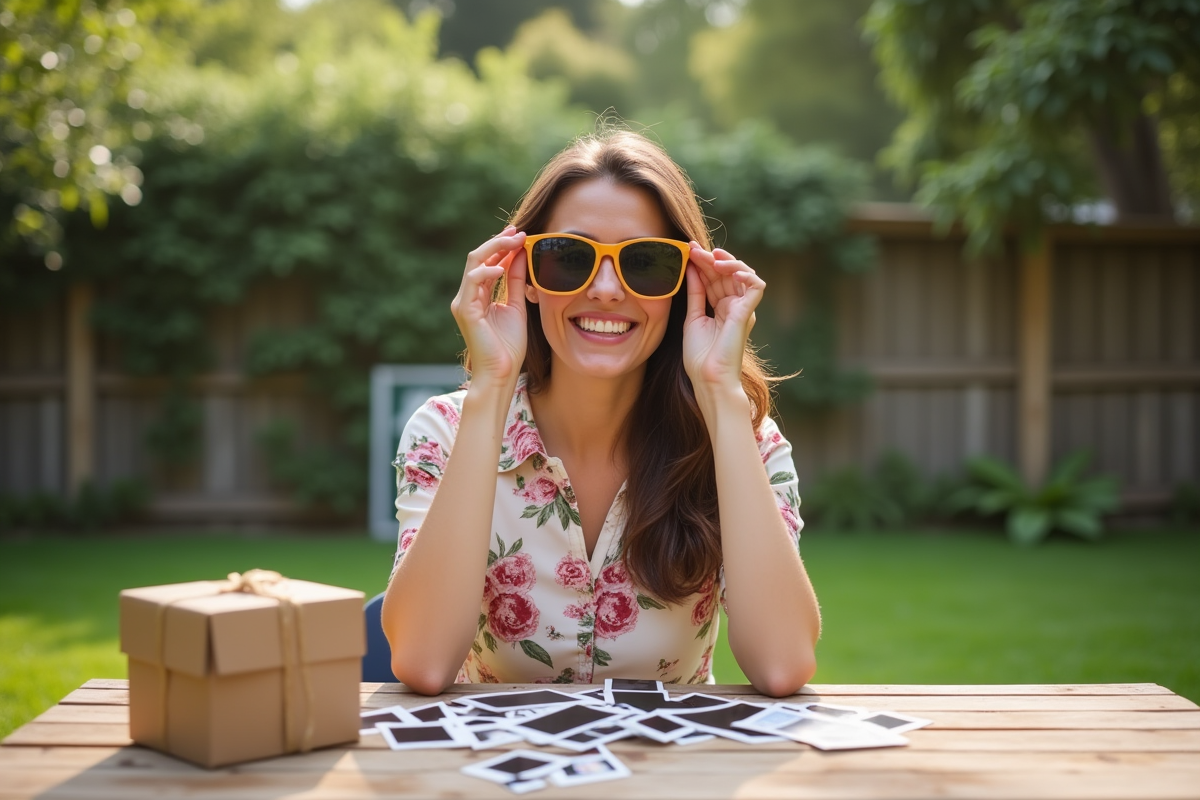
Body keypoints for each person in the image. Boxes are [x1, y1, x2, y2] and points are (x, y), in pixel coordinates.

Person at [381, 128, 820, 697]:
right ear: (527, 278)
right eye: (569, 258)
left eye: (645, 262)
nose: (607, 289)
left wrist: (720, 394)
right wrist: (492, 385)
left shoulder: (747, 441)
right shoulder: (442, 433)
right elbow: (423, 662)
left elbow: (783, 666)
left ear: (685, 286)